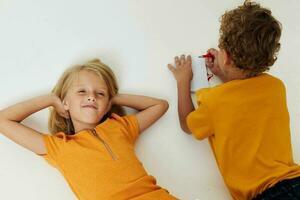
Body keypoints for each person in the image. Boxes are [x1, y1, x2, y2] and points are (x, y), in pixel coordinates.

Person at [168, 1, 300, 199]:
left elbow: (188, 124)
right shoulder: (276, 87)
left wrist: (182, 81)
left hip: (267, 195)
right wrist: (224, 71)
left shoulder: (214, 101)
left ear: (226, 57)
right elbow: (245, 93)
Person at [0, 59, 178, 200]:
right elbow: (3, 120)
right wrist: (50, 99)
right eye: (82, 92)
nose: (92, 97)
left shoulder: (121, 127)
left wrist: (114, 99)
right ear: (66, 102)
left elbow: (160, 105)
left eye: (100, 93)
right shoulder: (59, 146)